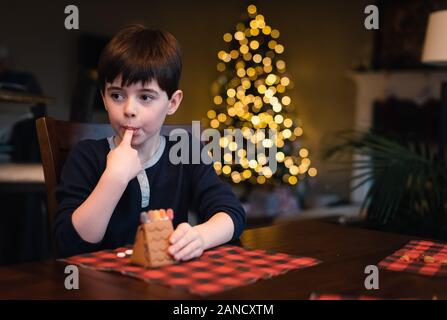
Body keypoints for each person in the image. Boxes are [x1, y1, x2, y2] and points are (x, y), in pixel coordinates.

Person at [54, 25, 246, 259]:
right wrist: (113, 179)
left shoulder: (185, 151)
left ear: (172, 103)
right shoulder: (87, 156)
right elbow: (71, 243)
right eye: (117, 95)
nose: (129, 109)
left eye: (145, 97)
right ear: (104, 98)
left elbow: (232, 213)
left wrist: (200, 237)